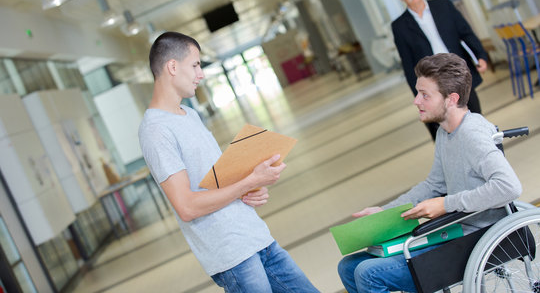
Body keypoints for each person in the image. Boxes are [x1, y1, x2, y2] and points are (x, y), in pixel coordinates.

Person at [138, 32, 319, 292]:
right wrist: (249, 181)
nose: (200, 74)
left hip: (256, 237)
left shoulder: (188, 114)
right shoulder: (156, 130)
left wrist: (249, 187)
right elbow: (187, 206)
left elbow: (216, 181)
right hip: (232, 255)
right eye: (195, 65)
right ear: (173, 67)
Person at [337, 53, 522, 293]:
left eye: (425, 95)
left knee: (368, 273)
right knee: (349, 266)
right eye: (417, 93)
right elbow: (433, 186)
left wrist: (446, 204)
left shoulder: (472, 135)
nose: (416, 101)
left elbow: (509, 187)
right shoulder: (445, 132)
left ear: (451, 99)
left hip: (476, 237)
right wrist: (384, 213)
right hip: (453, 230)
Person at [391, 0, 489, 141]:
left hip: (457, 73)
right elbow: (408, 64)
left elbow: (466, 32)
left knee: (474, 118)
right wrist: (420, 93)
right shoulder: (400, 26)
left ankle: (483, 148)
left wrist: (480, 55)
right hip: (433, 83)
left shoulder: (443, 5)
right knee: (444, 127)